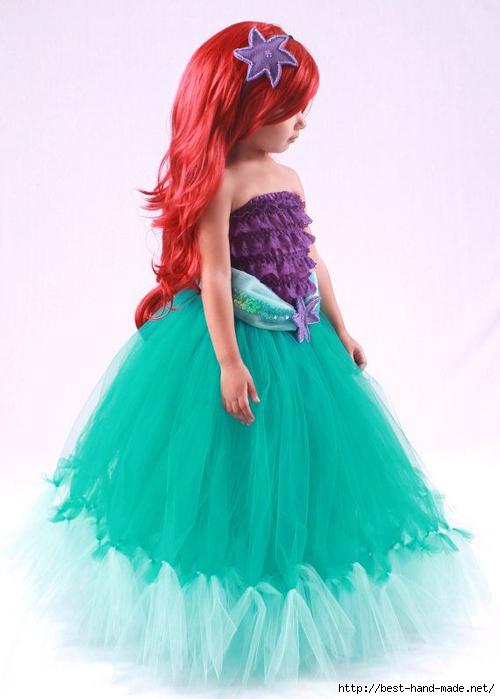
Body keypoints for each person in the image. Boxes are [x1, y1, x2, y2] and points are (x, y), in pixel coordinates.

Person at [5, 21, 493, 691]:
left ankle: (301, 557)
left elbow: (312, 259)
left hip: (302, 344)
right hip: (240, 340)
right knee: (230, 463)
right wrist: (229, 361)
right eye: (290, 108)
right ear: (247, 109)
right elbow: (214, 276)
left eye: (303, 108)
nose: (302, 122)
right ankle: (232, 574)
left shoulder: (290, 178)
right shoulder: (223, 183)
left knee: (307, 461)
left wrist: (343, 328)